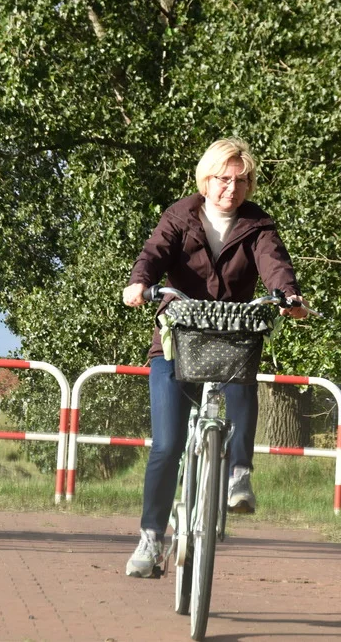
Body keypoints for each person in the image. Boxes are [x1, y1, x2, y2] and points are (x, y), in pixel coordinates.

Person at [122, 138, 309, 577]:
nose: (231, 188)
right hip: (178, 335)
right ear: (206, 179)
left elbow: (274, 265)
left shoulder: (258, 224)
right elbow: (153, 254)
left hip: (231, 333)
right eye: (223, 179)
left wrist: (288, 296)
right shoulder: (180, 215)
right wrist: (140, 283)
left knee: (244, 379)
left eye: (241, 180)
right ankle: (150, 539)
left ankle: (239, 474)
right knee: (166, 445)